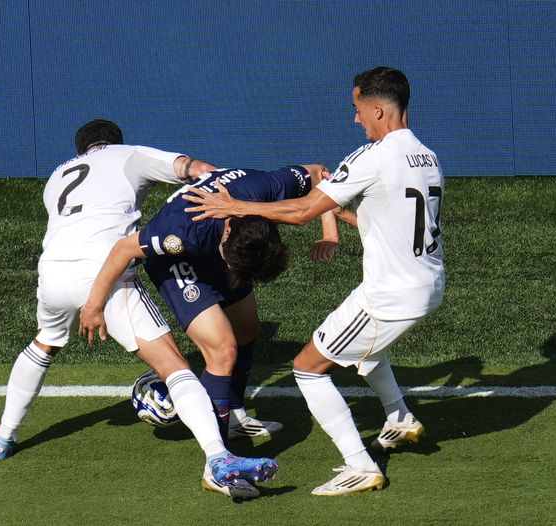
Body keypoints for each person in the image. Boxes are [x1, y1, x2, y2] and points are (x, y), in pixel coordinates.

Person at [0, 119, 277, 499]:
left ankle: (2, 436)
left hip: (52, 272)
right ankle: (219, 459)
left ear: (81, 149)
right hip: (104, 270)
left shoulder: (58, 174)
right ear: (113, 142)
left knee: (45, 343)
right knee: (175, 368)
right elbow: (198, 171)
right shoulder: (129, 155)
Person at [183, 67, 445, 495]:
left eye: (358, 109)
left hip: (391, 294)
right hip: (428, 281)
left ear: (378, 108)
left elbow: (303, 209)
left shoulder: (372, 156)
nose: (355, 119)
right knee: (365, 349)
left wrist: (234, 205)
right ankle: (398, 417)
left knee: (308, 367)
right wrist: (341, 217)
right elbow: (395, 221)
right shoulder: (427, 156)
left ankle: (360, 465)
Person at [79, 164, 335, 443]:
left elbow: (321, 175)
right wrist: (93, 305)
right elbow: (123, 249)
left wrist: (330, 232)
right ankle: (219, 456)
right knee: (223, 350)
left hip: (216, 248)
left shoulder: (267, 188)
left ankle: (233, 414)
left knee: (247, 329)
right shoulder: (180, 231)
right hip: (179, 262)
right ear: (227, 231)